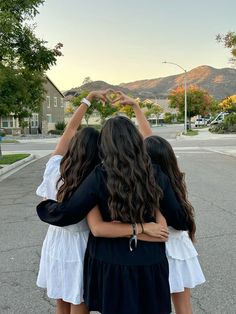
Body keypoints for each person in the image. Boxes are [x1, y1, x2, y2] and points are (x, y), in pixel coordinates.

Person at [36, 92, 189, 314]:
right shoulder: (155, 173)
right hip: (149, 260)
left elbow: (68, 213)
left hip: (110, 262)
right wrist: (154, 223)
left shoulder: (99, 175)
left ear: (104, 145)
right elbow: (180, 219)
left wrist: (45, 205)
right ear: (136, 141)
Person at [145, 136, 206, 314]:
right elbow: (182, 221)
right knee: (183, 307)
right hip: (177, 247)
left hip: (157, 246)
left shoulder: (145, 182)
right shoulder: (173, 180)